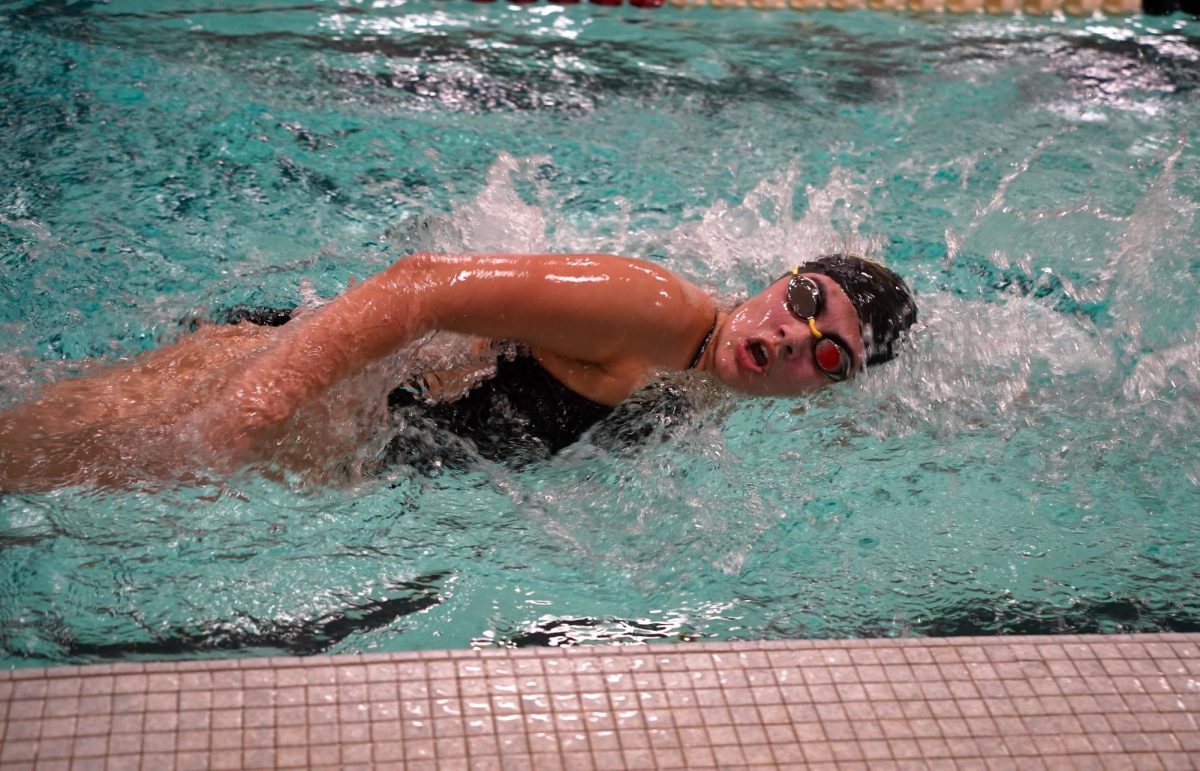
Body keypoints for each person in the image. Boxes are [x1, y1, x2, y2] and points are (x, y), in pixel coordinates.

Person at [0, 251, 917, 491]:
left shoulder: (703, 389)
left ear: (820, 393)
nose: (794, 336)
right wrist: (250, 408)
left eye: (828, 354)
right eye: (804, 299)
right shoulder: (657, 311)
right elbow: (424, 284)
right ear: (779, 278)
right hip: (259, 389)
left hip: (306, 443)